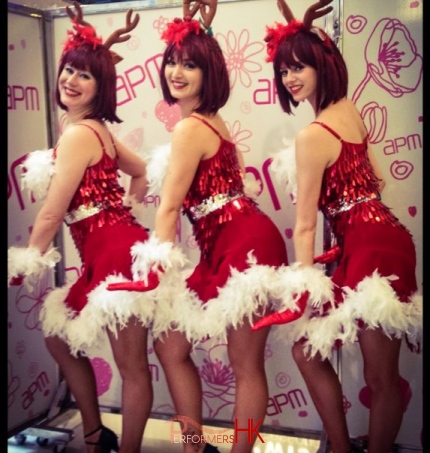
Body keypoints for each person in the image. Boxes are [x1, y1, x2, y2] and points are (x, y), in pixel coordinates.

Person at [107, 1, 293, 452]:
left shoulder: (192, 127)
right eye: (172, 60)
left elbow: (169, 209)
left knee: (244, 363)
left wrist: (155, 270)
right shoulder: (202, 123)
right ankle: (194, 445)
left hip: (245, 244)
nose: (177, 71)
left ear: (210, 72)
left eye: (190, 64)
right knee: (171, 349)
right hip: (221, 246)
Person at [253, 1, 423, 453]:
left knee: (373, 372)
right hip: (379, 239)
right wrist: (344, 245)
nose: (290, 78)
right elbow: (371, 184)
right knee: (344, 361)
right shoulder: (348, 109)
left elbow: (305, 224)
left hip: (372, 246)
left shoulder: (313, 134)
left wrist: (303, 291)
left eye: (299, 67)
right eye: (283, 70)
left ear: (322, 63)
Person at [8, 5, 155, 453]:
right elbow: (141, 170)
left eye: (84, 75)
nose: (70, 80)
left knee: (132, 366)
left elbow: (52, 214)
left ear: (101, 87)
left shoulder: (80, 134)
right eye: (68, 70)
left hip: (116, 255)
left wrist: (26, 263)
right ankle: (95, 433)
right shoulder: (92, 130)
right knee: (58, 336)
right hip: (103, 254)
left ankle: (123, 447)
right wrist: (119, 209)